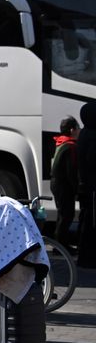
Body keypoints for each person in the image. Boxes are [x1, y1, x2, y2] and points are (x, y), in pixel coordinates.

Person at [51, 116, 80, 247]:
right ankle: (61, 245)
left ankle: (60, 243)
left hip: (57, 184)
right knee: (66, 215)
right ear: (72, 129)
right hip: (64, 186)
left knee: (62, 214)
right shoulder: (70, 147)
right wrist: (77, 188)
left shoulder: (61, 143)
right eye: (78, 128)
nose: (79, 131)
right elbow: (71, 171)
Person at [76, 103, 96, 266]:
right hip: (92, 186)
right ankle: (88, 258)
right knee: (90, 222)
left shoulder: (84, 133)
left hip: (85, 185)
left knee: (86, 220)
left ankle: (84, 256)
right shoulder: (92, 135)